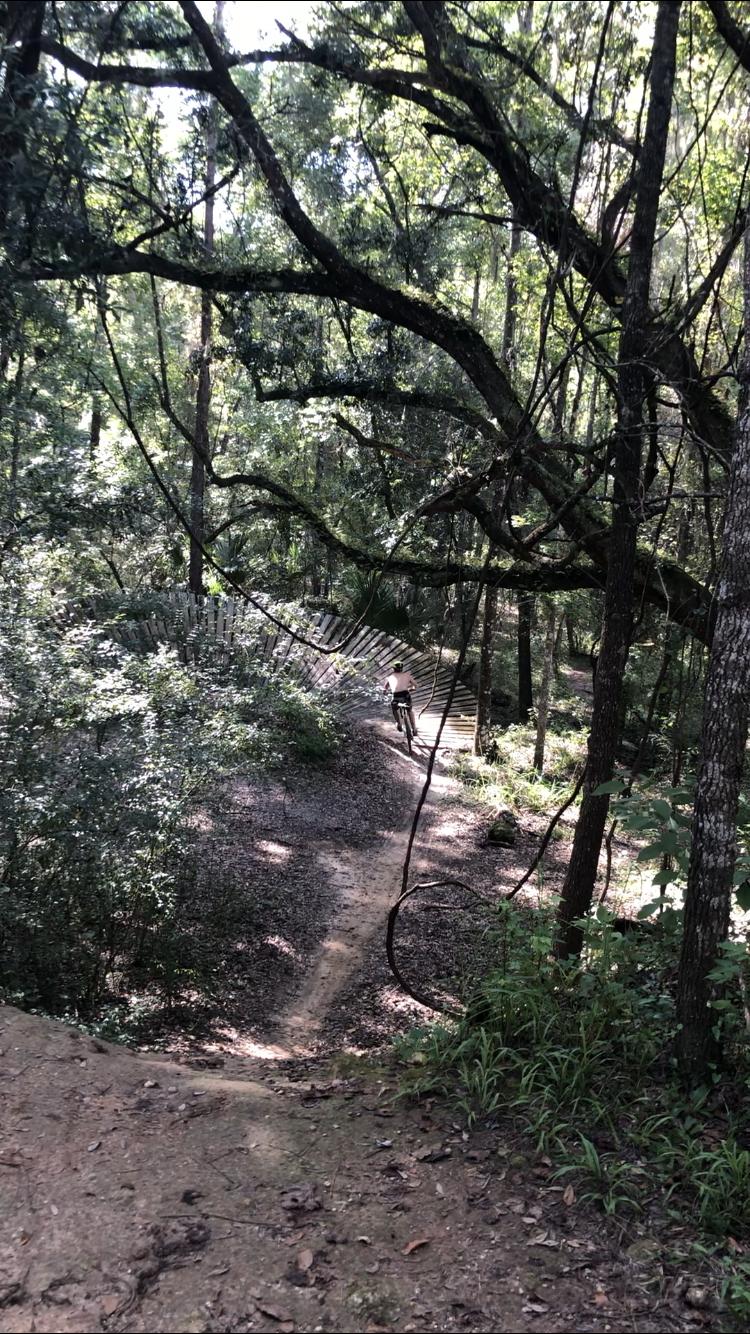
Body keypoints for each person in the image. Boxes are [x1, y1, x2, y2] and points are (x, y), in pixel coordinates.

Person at [384, 660, 418, 735]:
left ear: (393, 669)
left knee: (394, 709)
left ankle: (399, 723)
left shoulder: (389, 678)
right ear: (402, 668)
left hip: (396, 696)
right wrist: (412, 689)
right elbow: (415, 685)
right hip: (406, 695)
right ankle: (414, 729)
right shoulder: (407, 675)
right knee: (409, 710)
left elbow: (385, 689)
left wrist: (386, 692)